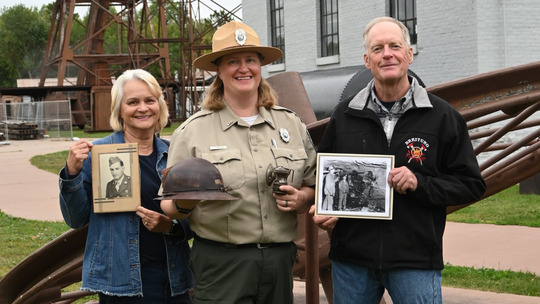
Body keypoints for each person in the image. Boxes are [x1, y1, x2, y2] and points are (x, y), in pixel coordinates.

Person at [310, 17, 486, 304]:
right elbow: (324, 173)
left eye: (395, 46)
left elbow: (471, 185)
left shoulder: (442, 117)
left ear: (409, 54)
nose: (387, 54)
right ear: (367, 60)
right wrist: (325, 207)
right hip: (352, 262)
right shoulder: (344, 115)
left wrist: (420, 183)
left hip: (414, 261)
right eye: (378, 49)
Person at [160, 21, 317, 303]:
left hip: (280, 261)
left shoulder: (290, 124)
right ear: (218, 70)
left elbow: (314, 185)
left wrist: (302, 198)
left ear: (260, 66)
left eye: (250, 60)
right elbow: (168, 206)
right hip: (221, 264)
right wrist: (187, 200)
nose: (243, 68)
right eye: (233, 61)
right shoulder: (193, 131)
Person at [58, 69, 193, 303]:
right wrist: (72, 173)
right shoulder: (97, 155)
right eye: (132, 102)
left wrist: (170, 226)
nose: (142, 108)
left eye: (150, 100)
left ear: (159, 106)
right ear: (119, 110)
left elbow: (194, 219)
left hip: (174, 277)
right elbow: (76, 219)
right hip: (120, 282)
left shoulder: (175, 155)